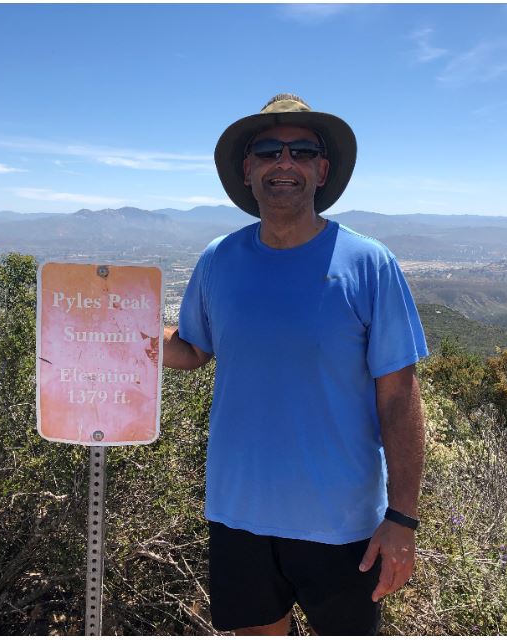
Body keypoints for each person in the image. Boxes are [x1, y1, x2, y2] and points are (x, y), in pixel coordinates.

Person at [163, 94, 428, 635]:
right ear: (248, 169)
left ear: (321, 170)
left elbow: (399, 398)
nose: (284, 162)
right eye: (268, 150)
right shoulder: (219, 259)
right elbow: (192, 350)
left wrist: (401, 518)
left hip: (344, 526)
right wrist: (120, 333)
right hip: (238, 515)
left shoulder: (369, 264)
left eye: (302, 150)